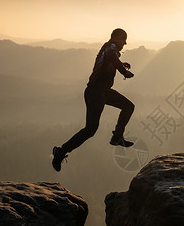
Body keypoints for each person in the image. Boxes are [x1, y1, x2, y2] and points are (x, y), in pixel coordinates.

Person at [52, 28, 135, 172]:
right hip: (95, 93)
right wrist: (123, 71)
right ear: (117, 38)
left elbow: (110, 58)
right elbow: (110, 54)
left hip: (103, 92)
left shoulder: (109, 48)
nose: (125, 43)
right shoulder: (111, 47)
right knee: (90, 129)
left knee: (128, 107)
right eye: (124, 40)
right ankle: (60, 152)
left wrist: (121, 64)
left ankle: (117, 137)